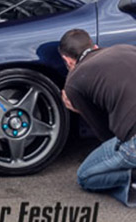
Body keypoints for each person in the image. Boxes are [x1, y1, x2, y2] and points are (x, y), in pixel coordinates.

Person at [58, 29, 136, 207]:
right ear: (94, 46)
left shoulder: (74, 82)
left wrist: (79, 109)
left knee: (85, 177)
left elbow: (104, 132)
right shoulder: (126, 48)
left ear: (67, 60)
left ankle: (132, 177)